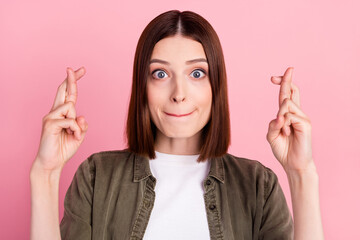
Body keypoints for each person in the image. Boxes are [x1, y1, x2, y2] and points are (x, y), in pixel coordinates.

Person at [30, 10, 324, 240]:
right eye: (160, 74)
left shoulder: (259, 186)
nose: (179, 93)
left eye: (197, 73)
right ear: (141, 86)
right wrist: (45, 173)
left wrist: (302, 174)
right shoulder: (97, 177)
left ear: (216, 86)